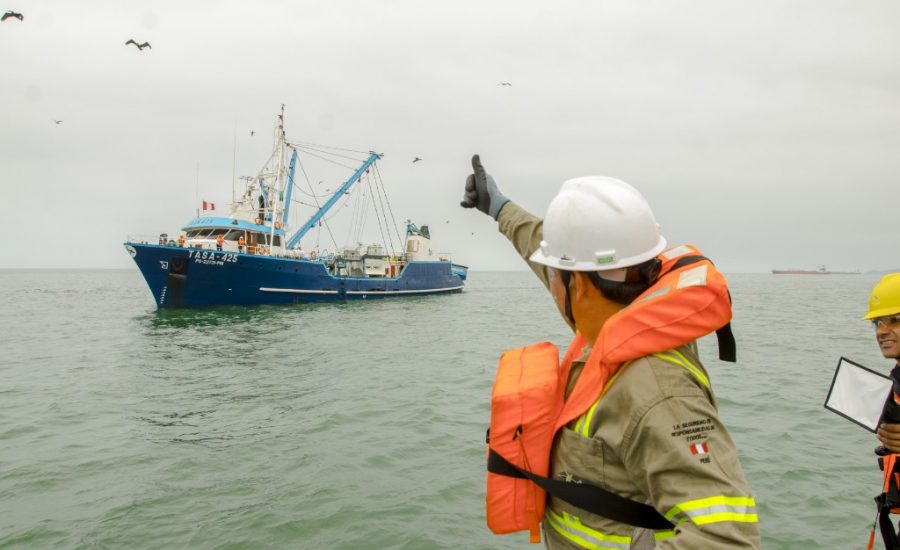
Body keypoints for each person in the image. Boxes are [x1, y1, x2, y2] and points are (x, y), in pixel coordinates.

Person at [462, 155, 759, 549]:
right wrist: (499, 208)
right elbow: (552, 251)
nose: (549, 281)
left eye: (554, 275)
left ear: (578, 287)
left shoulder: (656, 389)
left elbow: (727, 540)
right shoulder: (615, 311)